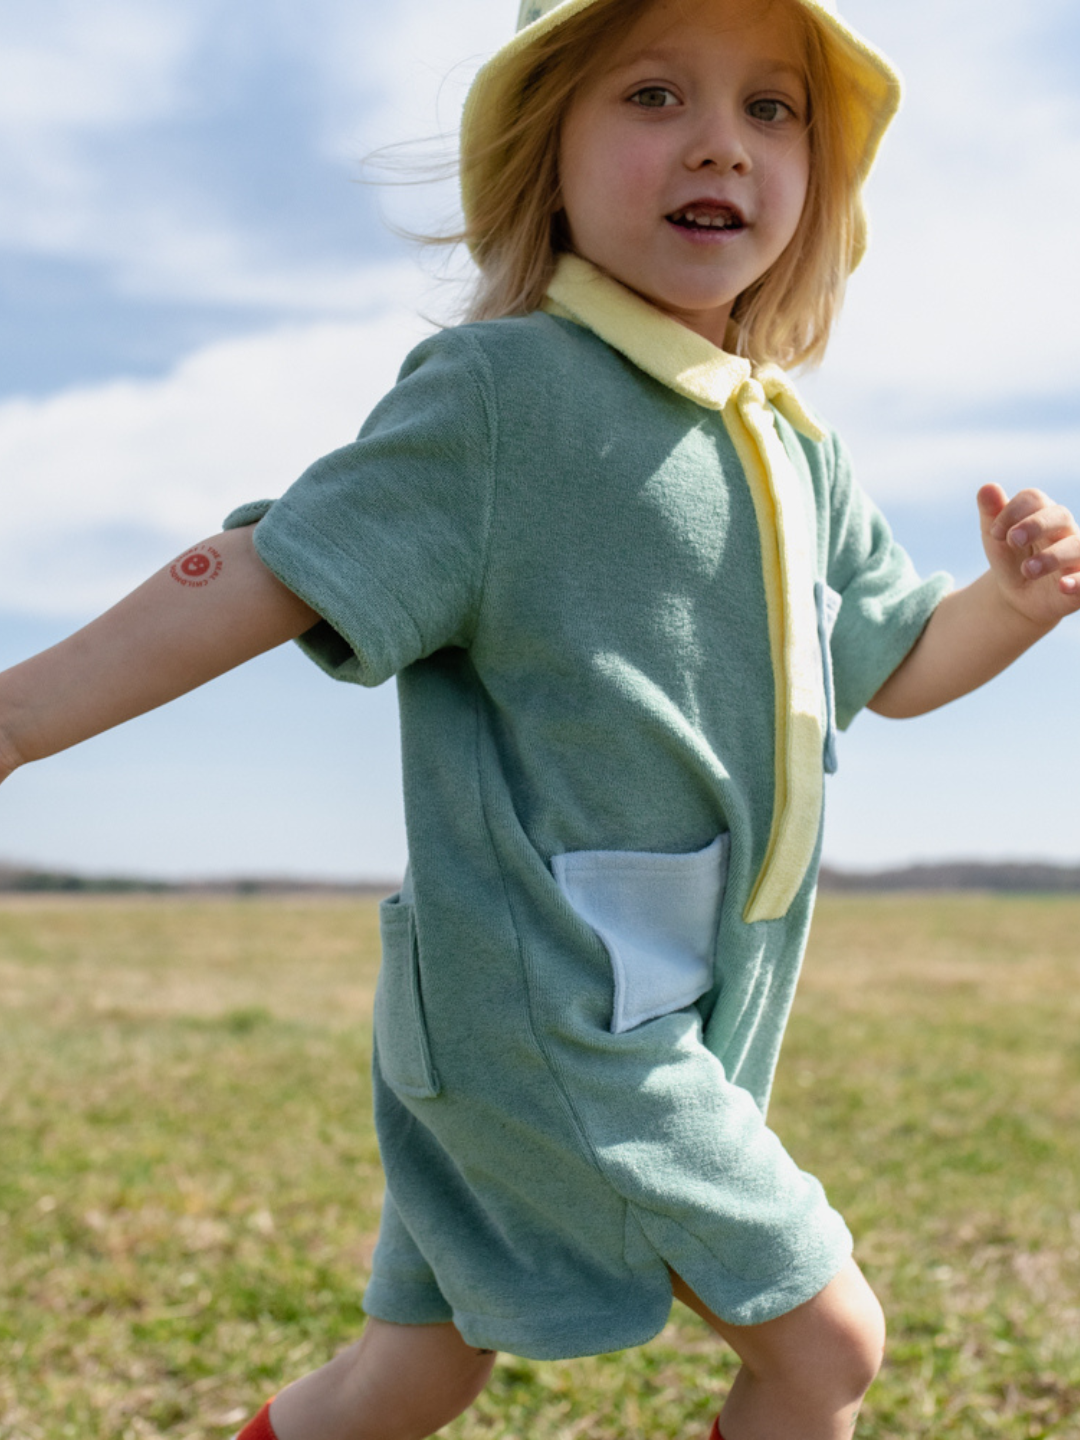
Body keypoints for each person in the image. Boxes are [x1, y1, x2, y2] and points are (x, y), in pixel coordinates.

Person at [1, 0, 1078, 1436]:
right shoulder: (506, 395)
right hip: (552, 1008)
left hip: (671, 998)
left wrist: (1006, 608)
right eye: (652, 95)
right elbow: (267, 564)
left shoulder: (789, 439)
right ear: (544, 150)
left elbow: (898, 664)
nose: (721, 142)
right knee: (825, 1347)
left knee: (417, 1369)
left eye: (772, 110)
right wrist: (15, 718)